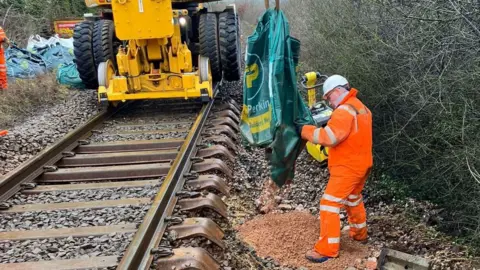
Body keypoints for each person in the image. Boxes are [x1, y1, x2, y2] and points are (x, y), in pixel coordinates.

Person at [297, 75, 373, 263]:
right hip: (362, 165)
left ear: (338, 91)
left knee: (329, 204)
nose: (329, 102)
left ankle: (327, 250)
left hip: (347, 167)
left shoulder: (343, 111)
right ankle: (359, 234)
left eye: (329, 97)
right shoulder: (362, 108)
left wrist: (304, 131)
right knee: (353, 199)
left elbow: (328, 138)